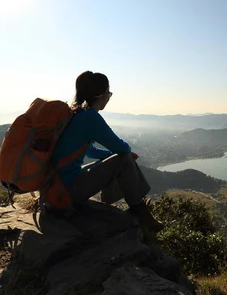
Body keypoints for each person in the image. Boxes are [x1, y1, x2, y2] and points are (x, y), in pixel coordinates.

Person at [50, 70, 163, 232]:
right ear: (102, 95)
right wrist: (124, 156)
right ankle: (139, 210)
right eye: (109, 94)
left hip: (56, 185)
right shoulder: (90, 117)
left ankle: (131, 207)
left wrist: (115, 157)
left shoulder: (75, 114)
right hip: (67, 190)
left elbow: (91, 152)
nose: (109, 98)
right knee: (124, 159)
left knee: (121, 159)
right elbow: (122, 148)